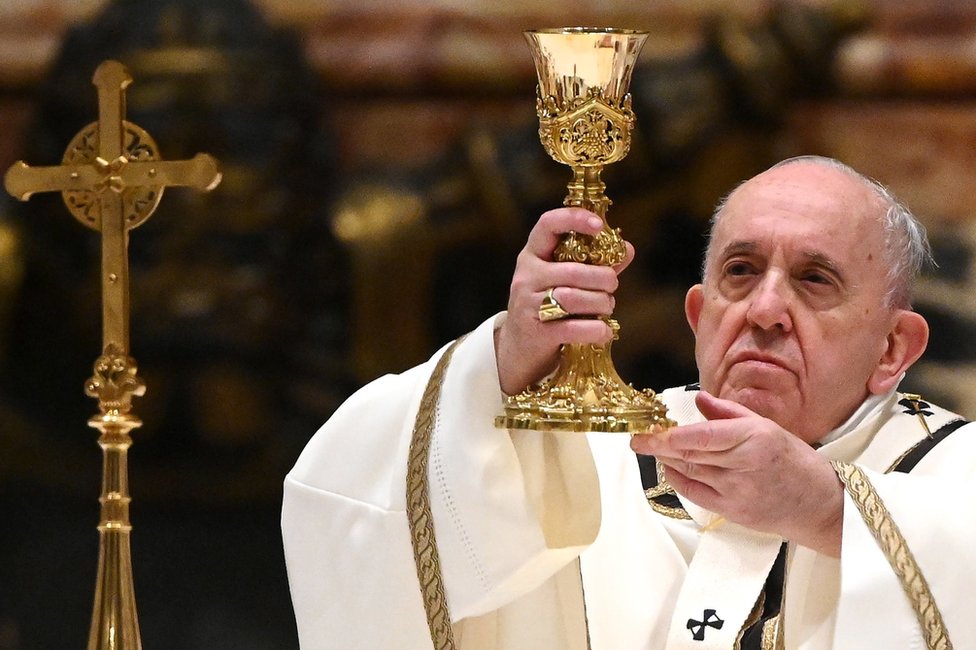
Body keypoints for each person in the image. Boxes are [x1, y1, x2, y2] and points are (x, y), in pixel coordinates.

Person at [281, 156, 975, 649]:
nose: (765, 309)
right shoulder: (581, 457)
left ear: (893, 349)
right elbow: (346, 503)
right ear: (699, 316)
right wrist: (504, 358)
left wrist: (828, 512)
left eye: (814, 279)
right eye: (740, 270)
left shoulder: (951, 474)